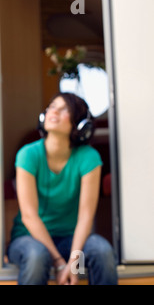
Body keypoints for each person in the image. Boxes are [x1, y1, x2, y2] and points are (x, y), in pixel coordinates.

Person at [7, 92, 118, 285]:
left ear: (80, 125)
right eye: (51, 106)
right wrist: (59, 263)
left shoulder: (89, 158)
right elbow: (29, 216)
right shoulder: (28, 154)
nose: (54, 111)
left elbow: (85, 217)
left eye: (63, 109)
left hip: (70, 239)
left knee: (102, 251)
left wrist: (73, 264)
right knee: (37, 256)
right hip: (27, 238)